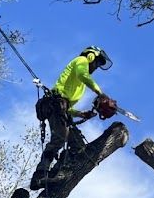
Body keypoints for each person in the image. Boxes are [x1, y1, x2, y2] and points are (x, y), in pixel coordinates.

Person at [30, 46, 116, 190]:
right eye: (97, 62)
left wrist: (81, 114)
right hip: (55, 104)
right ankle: (39, 175)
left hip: (62, 108)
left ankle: (58, 173)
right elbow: (83, 76)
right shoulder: (81, 61)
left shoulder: (80, 83)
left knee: (77, 145)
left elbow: (67, 108)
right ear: (91, 57)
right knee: (59, 138)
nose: (96, 67)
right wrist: (100, 93)